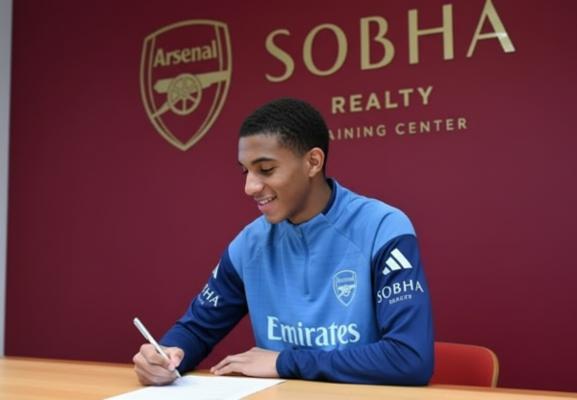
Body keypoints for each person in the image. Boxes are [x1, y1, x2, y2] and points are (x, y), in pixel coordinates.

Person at [133, 98, 434, 385]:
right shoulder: (250, 244)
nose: (250, 187)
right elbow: (196, 330)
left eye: (266, 170)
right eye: (245, 171)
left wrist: (284, 362)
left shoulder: (383, 227)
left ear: (313, 162)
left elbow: (409, 358)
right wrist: (165, 356)